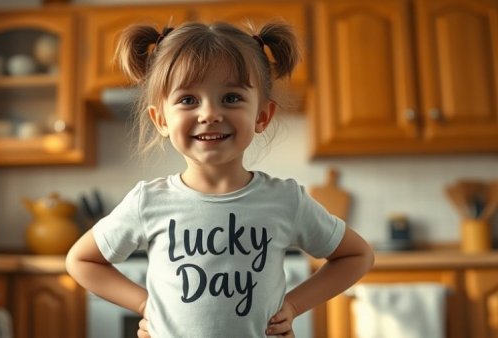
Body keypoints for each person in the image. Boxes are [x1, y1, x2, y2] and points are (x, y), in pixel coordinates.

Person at [66, 20, 374, 338]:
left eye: (230, 98)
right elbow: (81, 260)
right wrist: (146, 305)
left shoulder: (286, 200)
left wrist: (293, 306)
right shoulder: (148, 201)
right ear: (161, 119)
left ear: (262, 116)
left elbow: (356, 255)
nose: (209, 113)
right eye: (188, 100)